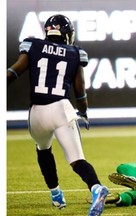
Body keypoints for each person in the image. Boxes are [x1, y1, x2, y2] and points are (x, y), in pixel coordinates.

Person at [7, 14, 109, 216]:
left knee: (43, 149)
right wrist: (84, 111)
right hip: (61, 109)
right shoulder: (75, 53)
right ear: (67, 34)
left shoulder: (33, 45)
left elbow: (13, 72)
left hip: (37, 113)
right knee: (77, 160)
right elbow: (80, 91)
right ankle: (96, 188)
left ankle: (56, 194)